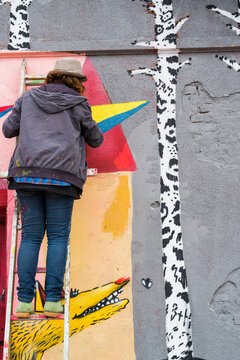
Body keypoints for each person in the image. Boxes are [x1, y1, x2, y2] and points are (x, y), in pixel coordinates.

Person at [2, 58, 104, 318]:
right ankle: (52, 302)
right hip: (62, 178)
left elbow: (8, 129)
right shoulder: (79, 104)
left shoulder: (27, 98)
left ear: (51, 77)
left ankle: (24, 302)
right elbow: (95, 140)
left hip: (27, 175)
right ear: (76, 82)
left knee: (31, 237)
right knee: (57, 238)